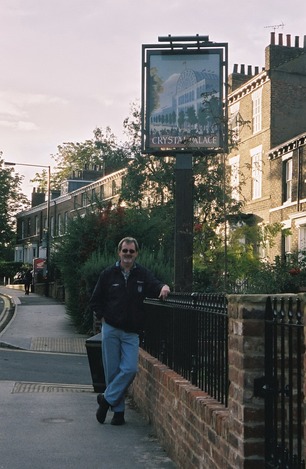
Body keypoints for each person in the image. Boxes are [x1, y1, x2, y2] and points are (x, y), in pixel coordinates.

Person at [89, 236, 170, 426]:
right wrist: (103, 318)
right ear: (119, 252)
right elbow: (95, 299)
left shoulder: (142, 274)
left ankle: (106, 399)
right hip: (111, 329)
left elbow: (155, 284)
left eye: (131, 251)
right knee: (112, 371)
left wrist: (164, 287)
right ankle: (118, 413)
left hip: (131, 332)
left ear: (136, 253)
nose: (128, 254)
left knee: (130, 369)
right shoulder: (108, 274)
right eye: (125, 251)